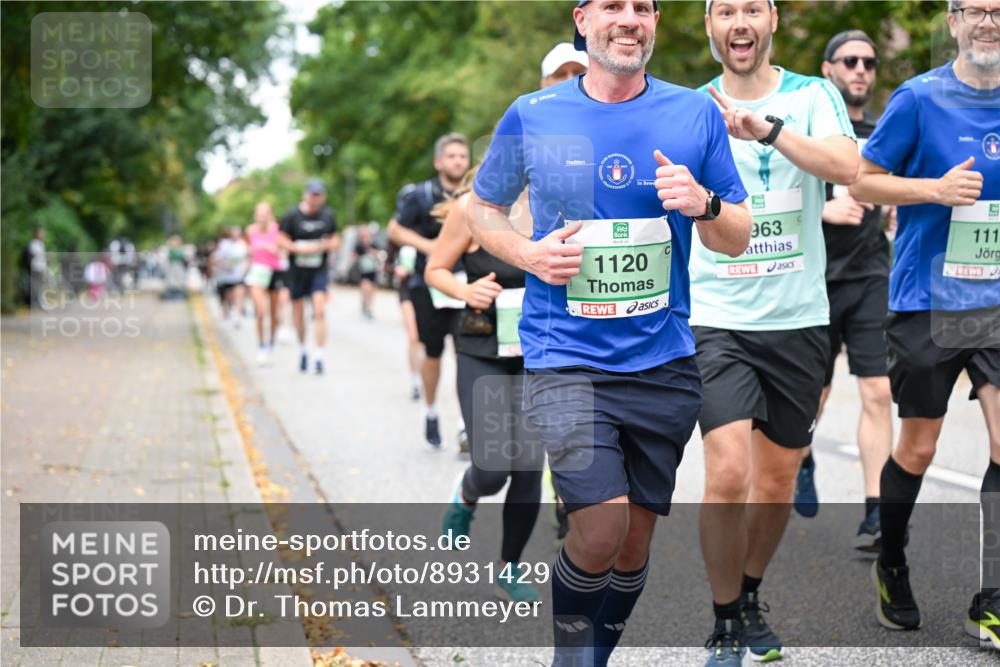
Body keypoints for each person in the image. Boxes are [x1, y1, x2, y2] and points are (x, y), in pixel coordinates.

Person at [468, 2, 751, 664]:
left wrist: (703, 204)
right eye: (614, 6)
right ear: (583, 19)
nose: (630, 19)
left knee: (633, 543)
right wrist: (530, 255)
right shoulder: (534, 115)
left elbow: (736, 234)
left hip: (663, 363)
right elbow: (482, 207)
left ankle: (593, 654)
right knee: (599, 529)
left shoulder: (693, 113)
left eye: (644, 7)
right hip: (563, 356)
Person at [692, 1, 859, 663]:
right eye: (725, 9)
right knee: (728, 471)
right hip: (716, 316)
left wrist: (770, 131)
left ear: (772, 22)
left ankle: (751, 591)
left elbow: (845, 168)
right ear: (710, 24)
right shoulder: (691, 104)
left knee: (777, 481)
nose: (739, 21)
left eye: (752, 9)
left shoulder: (814, 95)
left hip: (798, 318)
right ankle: (725, 615)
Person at [849, 0, 1000, 648]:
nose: (990, 21)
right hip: (929, 300)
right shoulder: (918, 99)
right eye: (978, 11)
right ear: (954, 19)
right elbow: (863, 183)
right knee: (918, 446)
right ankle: (892, 560)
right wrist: (934, 190)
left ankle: (991, 598)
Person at [789, 30, 894, 549]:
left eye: (869, 63)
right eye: (850, 61)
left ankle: (876, 512)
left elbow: (900, 183)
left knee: (879, 391)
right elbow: (779, 193)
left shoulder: (883, 130)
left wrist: (897, 202)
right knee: (814, 395)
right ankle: (802, 457)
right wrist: (824, 207)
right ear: (828, 68)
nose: (861, 71)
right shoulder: (810, 126)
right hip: (815, 280)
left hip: (871, 275)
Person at [427, 165, 544, 603]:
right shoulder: (472, 208)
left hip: (540, 353)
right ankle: (467, 494)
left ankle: (510, 567)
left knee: (529, 465)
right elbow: (436, 269)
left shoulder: (558, 203)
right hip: (483, 351)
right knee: (494, 466)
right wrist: (466, 292)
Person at [388, 133, 471, 447]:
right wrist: (432, 247)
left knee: (466, 354)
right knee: (433, 354)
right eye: (451, 156)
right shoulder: (421, 195)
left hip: (465, 284)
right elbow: (394, 229)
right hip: (429, 286)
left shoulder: (474, 194)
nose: (458, 162)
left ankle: (466, 424)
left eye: (462, 156)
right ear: (439, 162)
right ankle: (432, 411)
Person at [279, 178, 339, 375]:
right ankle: (303, 348)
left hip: (318, 270)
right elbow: (281, 239)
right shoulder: (292, 215)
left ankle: (319, 355)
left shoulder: (328, 215)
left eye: (319, 194)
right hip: (297, 271)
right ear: (305, 195)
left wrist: (321, 246)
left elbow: (335, 240)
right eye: (312, 194)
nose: (315, 198)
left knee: (319, 309)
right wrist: (296, 248)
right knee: (298, 311)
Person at [245, 202, 285, 365]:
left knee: (273, 313)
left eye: (265, 214)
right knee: (261, 312)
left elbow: (285, 250)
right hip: (257, 272)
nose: (262, 217)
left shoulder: (277, 229)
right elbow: (249, 250)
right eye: (259, 214)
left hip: (274, 271)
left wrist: (275, 250)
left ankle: (271, 342)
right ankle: (261, 345)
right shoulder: (250, 230)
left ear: (270, 215)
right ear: (255, 215)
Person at [213, 226, 249, 325]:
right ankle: (228, 310)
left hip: (239, 275)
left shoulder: (242, 244)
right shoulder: (224, 244)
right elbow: (217, 259)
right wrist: (226, 265)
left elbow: (246, 257)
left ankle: (237, 313)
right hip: (226, 276)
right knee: (228, 295)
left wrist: (245, 267)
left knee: (239, 292)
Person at [354, 224, 379, 320]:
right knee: (366, 288)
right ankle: (366, 305)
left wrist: (374, 254)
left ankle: (368, 306)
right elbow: (354, 257)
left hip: (372, 271)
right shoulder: (359, 246)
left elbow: (380, 254)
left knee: (372, 290)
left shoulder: (373, 244)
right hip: (363, 271)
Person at [21, 228, 47, 308]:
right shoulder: (34, 243)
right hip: (35, 268)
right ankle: (34, 303)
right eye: (41, 233)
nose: (43, 235)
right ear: (37, 234)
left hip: (41, 268)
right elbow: (33, 254)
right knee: (36, 286)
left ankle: (38, 302)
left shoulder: (41, 244)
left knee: (40, 286)